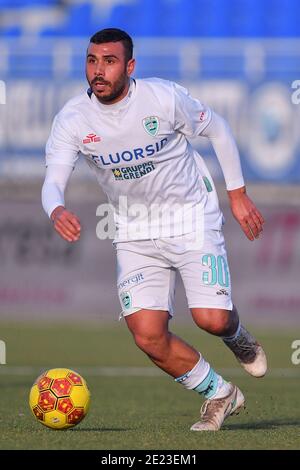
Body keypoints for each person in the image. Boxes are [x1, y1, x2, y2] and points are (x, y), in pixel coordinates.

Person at [42, 28, 267, 432]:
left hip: (191, 217)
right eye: (92, 60)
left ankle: (237, 335)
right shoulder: (73, 118)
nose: (99, 70)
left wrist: (238, 195)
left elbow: (218, 129)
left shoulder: (163, 98)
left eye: (109, 61)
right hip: (132, 230)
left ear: (129, 66)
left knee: (211, 320)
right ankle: (220, 394)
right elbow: (53, 177)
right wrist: (55, 207)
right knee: (147, 334)